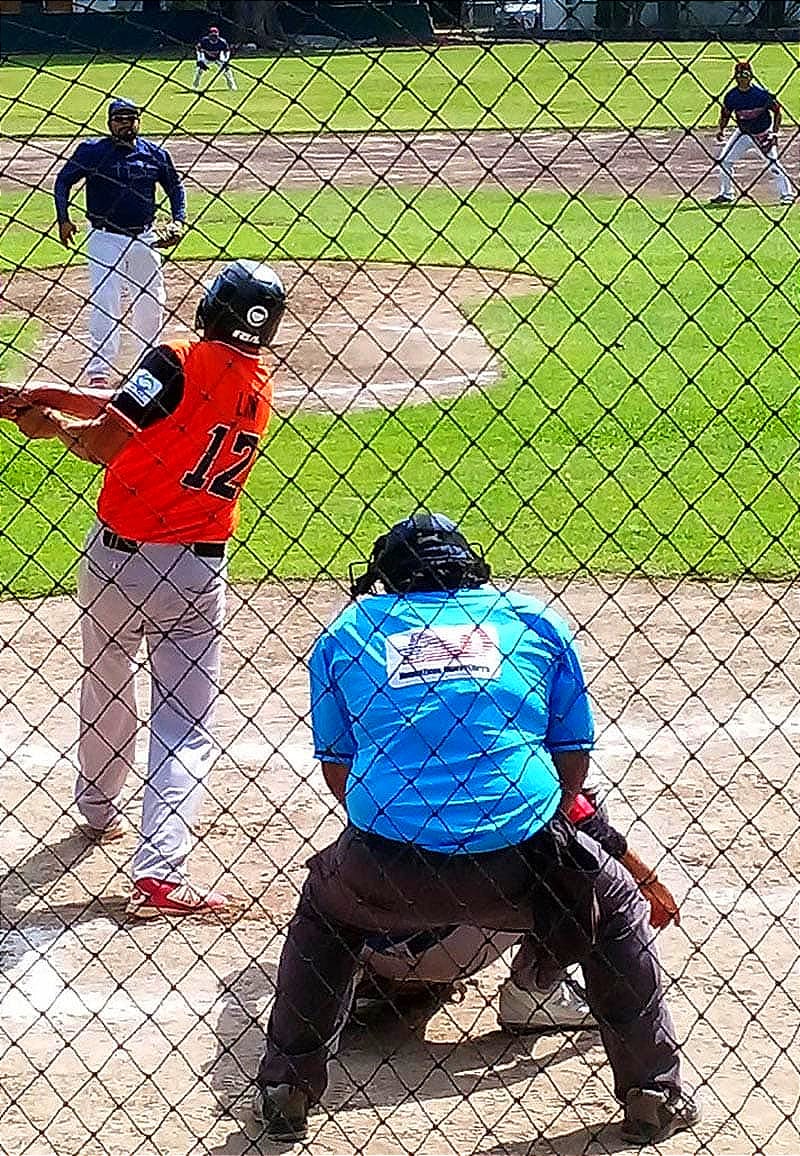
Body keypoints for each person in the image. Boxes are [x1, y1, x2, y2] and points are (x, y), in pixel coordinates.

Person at [253, 513, 701, 1145]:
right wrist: (537, 820)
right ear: (472, 569)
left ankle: (288, 1085)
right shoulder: (531, 618)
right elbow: (572, 753)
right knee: (613, 905)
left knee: (324, 912)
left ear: (386, 580)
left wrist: (406, 822)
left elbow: (339, 768)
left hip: (386, 865)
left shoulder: (350, 629)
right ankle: (651, 1090)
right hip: (523, 865)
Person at [0, 260, 285, 918]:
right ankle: (159, 873)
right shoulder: (257, 383)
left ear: (212, 308)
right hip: (194, 570)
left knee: (106, 680)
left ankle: (98, 811)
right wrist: (52, 393)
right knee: (184, 723)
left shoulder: (179, 356)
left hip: (116, 563)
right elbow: (140, 406)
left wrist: (52, 426)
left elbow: (106, 442)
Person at [357, 776, 681, 1033]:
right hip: (445, 946)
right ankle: (536, 990)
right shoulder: (504, 735)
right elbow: (581, 818)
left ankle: (377, 979)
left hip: (368, 940)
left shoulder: (399, 718)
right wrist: (646, 879)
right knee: (575, 810)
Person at [53, 98, 187, 388]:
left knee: (151, 301)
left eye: (130, 118)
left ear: (138, 121)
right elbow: (63, 181)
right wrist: (63, 218)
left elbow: (175, 187)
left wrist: (179, 220)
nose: (125, 123)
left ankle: (147, 366)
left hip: (144, 237)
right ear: (109, 122)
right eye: (119, 118)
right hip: (104, 238)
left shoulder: (155, 154)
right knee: (105, 301)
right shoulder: (92, 152)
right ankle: (99, 371)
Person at [709, 60, 794, 206]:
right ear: (735, 77)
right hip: (743, 133)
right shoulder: (731, 96)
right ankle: (726, 194)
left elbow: (777, 112)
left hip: (762, 133)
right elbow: (725, 114)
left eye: (746, 75)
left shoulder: (761, 94)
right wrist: (721, 129)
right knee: (724, 161)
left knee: (773, 164)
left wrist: (774, 132)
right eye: (740, 75)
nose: (743, 78)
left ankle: (787, 195)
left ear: (751, 77)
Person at [193, 26, 237, 91]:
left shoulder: (222, 42)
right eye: (212, 34)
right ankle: (195, 86)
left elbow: (227, 51)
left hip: (218, 59)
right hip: (206, 58)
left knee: (227, 71)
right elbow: (198, 49)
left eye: (215, 34)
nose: (214, 36)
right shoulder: (204, 41)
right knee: (199, 70)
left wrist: (225, 61)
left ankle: (232, 86)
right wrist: (200, 60)